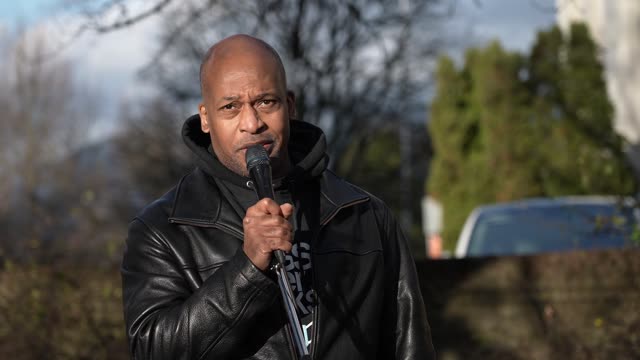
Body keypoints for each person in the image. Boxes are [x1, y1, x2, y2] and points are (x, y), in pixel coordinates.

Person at [121, 34, 436, 360]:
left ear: (290, 105)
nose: (252, 123)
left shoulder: (364, 215)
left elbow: (409, 345)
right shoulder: (162, 229)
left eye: (265, 102)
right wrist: (248, 271)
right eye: (230, 107)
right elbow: (151, 350)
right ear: (205, 118)